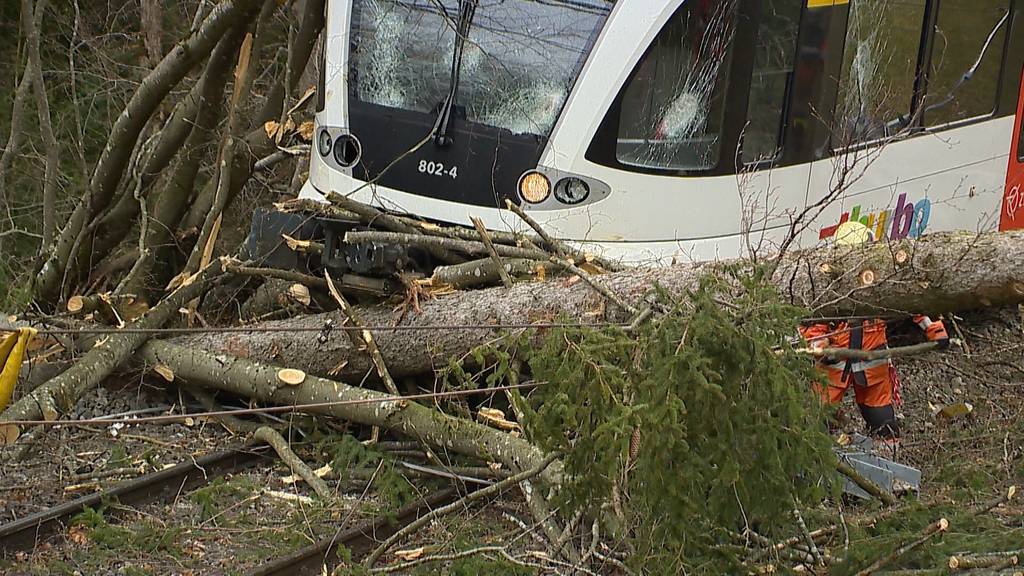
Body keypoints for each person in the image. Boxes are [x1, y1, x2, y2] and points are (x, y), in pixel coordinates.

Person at [799, 315, 949, 443]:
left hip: (874, 370)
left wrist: (936, 331)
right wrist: (817, 343)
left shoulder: (880, 286)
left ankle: (888, 467)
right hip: (832, 370)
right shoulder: (830, 286)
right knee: (817, 420)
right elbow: (811, 318)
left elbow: (914, 299)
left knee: (884, 423)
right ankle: (815, 465)